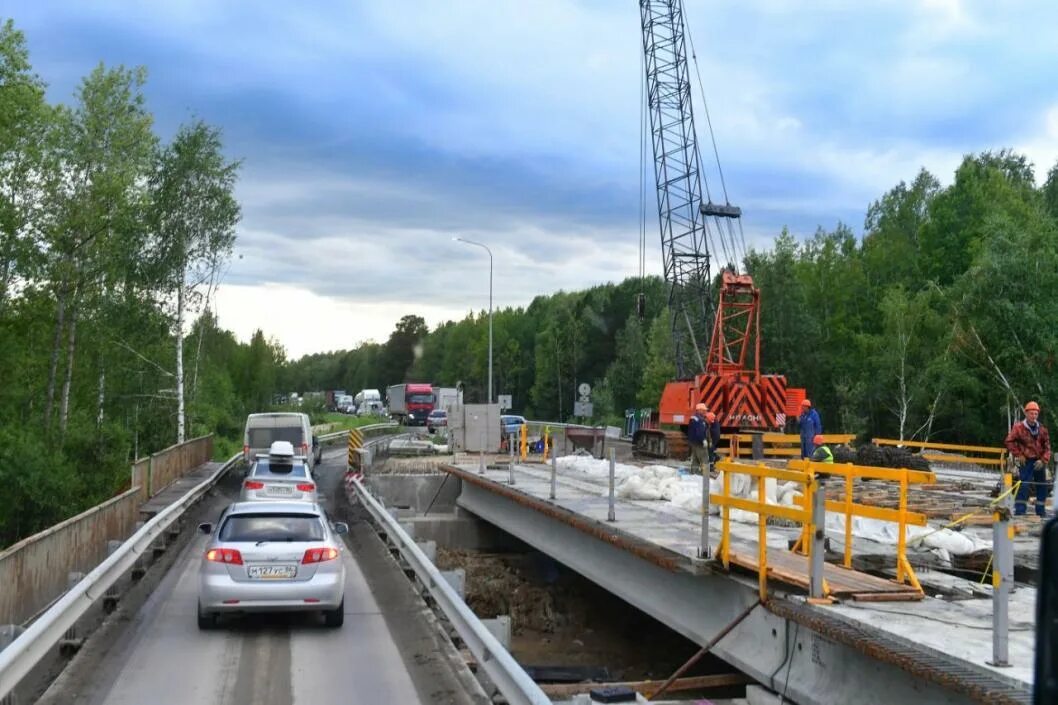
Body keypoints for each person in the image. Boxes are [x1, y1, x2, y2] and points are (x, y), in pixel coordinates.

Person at [1005, 401, 1052, 517]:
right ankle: (1020, 510)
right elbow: (1009, 441)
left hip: (1039, 462)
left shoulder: (1042, 429)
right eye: (1031, 413)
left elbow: (1047, 447)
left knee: (1042, 486)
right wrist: (1018, 454)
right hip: (1025, 461)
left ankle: (1040, 511)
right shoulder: (1019, 428)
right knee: (1024, 485)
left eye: (1036, 414)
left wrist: (1043, 460)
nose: (1034, 416)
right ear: (1026, 413)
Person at [687, 403, 709, 474]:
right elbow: (700, 432)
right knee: (704, 460)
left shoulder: (692, 418)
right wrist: (703, 440)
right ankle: (706, 478)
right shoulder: (700, 420)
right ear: (699, 410)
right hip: (700, 443)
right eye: (704, 410)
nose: (705, 412)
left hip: (693, 443)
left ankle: (694, 475)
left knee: (695, 460)